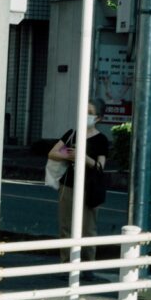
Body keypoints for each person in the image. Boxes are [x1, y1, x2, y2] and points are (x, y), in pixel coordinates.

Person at [48, 100, 108, 268]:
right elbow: (52, 153)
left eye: (90, 112)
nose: (85, 115)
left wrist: (83, 157)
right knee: (66, 226)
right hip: (68, 185)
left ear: (98, 118)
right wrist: (69, 154)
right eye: (84, 111)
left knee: (88, 229)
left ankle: (88, 266)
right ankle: (66, 264)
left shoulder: (101, 140)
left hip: (90, 188)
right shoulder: (72, 134)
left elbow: (100, 167)